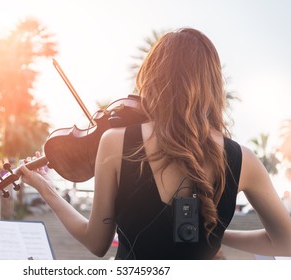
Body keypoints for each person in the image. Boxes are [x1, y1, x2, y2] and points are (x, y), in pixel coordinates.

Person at [19, 27, 291, 259]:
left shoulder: (114, 142)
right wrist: (211, 232)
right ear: (213, 87)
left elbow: (97, 243)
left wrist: (48, 190)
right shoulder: (244, 160)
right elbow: (285, 243)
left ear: (152, 78)